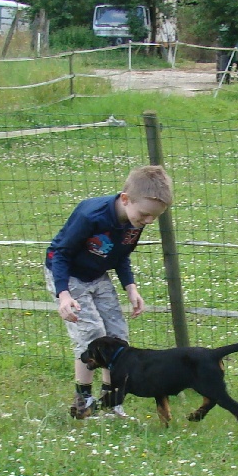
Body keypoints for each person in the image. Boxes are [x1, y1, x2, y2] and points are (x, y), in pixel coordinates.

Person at [44, 165, 174, 419]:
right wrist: (64, 294)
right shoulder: (91, 215)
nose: (148, 221)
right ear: (126, 199)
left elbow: (121, 255)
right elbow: (60, 254)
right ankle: (83, 400)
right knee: (91, 333)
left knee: (117, 336)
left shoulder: (136, 219)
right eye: (145, 215)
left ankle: (111, 401)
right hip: (68, 275)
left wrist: (131, 288)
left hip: (97, 274)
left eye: (154, 218)